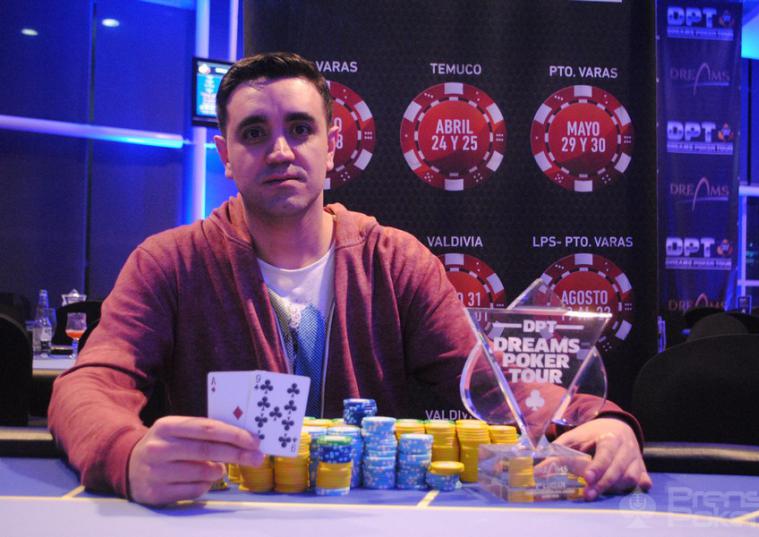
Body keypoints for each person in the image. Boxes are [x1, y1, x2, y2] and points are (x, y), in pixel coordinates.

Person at [49, 52, 651, 506]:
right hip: (225, 517)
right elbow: (88, 385)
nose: (280, 150)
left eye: (300, 129)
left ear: (332, 146)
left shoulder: (395, 260)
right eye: (254, 133)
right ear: (224, 155)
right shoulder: (170, 262)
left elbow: (494, 384)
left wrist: (599, 420)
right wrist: (127, 455)